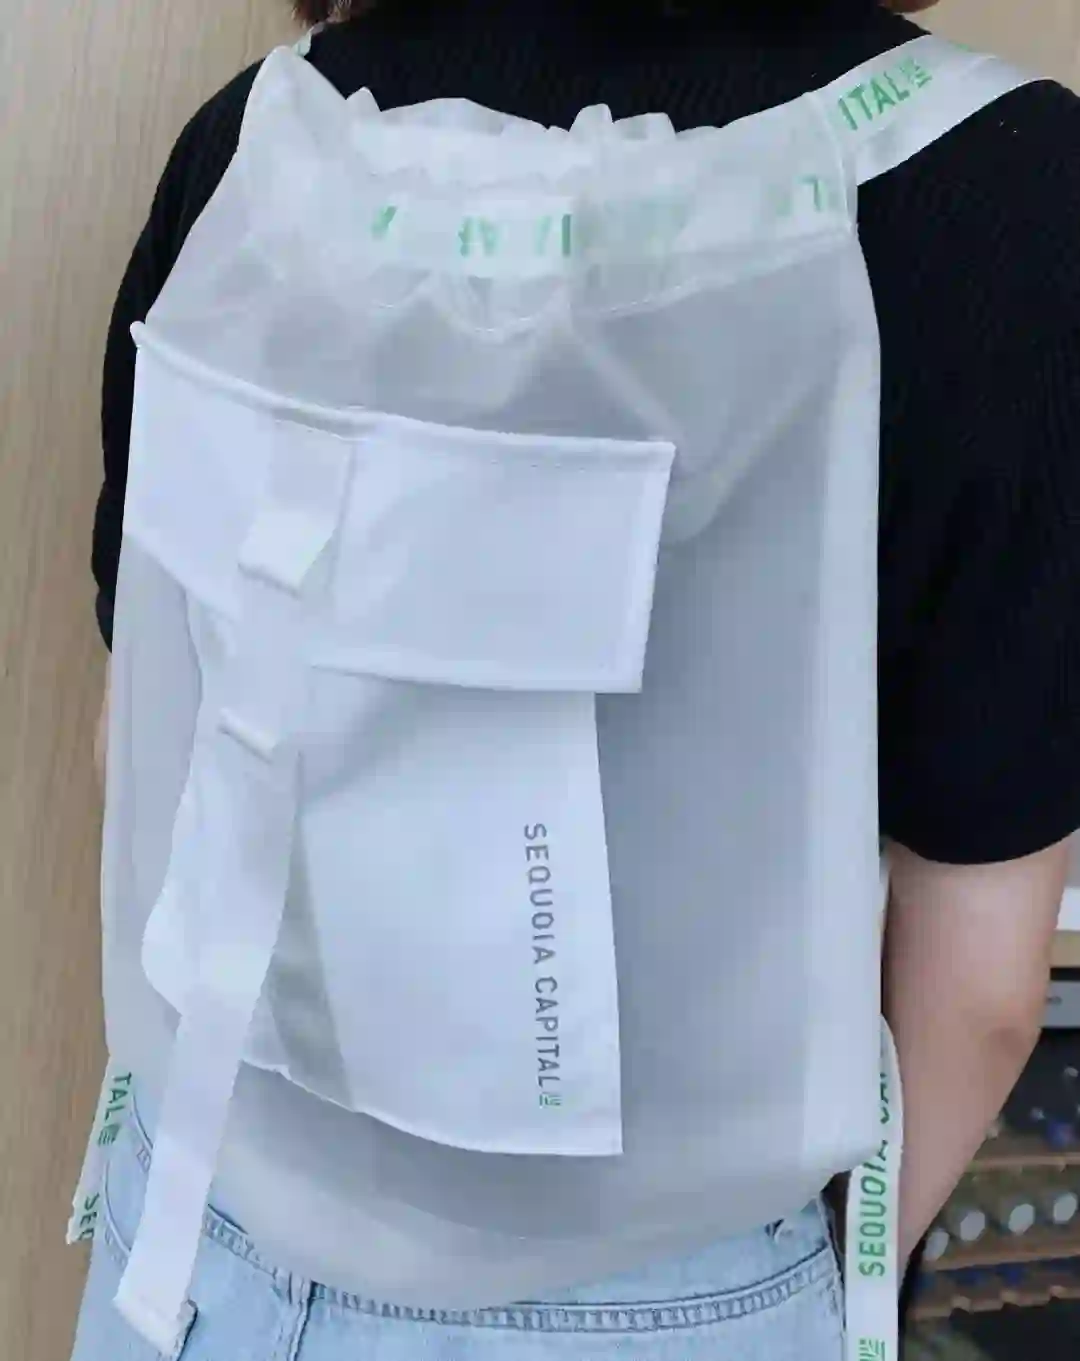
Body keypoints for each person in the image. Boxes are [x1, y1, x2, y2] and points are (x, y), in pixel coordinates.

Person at [74, 1, 1080, 1357]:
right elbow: (985, 990)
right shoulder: (1010, 192)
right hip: (667, 1292)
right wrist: (813, 1282)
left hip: (191, 1227)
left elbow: (145, 744)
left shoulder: (259, 142)